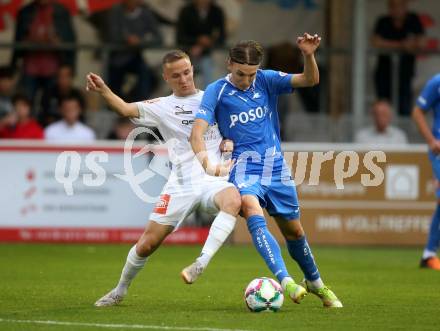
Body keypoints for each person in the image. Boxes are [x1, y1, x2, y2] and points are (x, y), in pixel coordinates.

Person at [190, 37, 342, 308]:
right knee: (249, 206)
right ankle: (285, 281)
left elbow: (310, 80)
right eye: (240, 74)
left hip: (276, 168)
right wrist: (209, 166)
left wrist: (308, 55)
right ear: (229, 64)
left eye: (251, 74)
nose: (246, 80)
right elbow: (197, 134)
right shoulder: (217, 90)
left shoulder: (266, 79)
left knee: (294, 233)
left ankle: (316, 283)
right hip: (244, 168)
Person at [88, 50, 241, 307]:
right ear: (166, 78)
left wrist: (228, 143)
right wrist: (103, 89)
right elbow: (125, 108)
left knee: (233, 200)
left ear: (193, 69)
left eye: (186, 72)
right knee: (147, 245)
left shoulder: (213, 99)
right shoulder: (161, 106)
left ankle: (201, 263)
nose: (183, 79)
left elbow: (232, 129)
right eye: (176, 76)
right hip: (180, 184)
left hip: (213, 179)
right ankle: (119, 290)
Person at [11, 0, 76, 103]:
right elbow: (18, 40)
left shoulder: (60, 11)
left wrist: (68, 66)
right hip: (30, 66)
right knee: (26, 101)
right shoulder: (26, 11)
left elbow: (70, 40)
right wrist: (14, 65)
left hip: (53, 67)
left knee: (50, 104)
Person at [372, 0, 425, 116]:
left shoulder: (413, 20)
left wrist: (409, 45)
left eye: (399, 6)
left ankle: (403, 133)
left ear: (405, 6)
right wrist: (402, 45)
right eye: (393, 6)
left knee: (404, 108)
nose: (396, 10)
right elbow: (376, 42)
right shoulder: (383, 21)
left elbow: (422, 43)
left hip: (405, 73)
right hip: (384, 73)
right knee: (383, 108)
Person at [106, 0, 162, 102]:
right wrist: (126, 39)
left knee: (149, 76)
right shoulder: (116, 12)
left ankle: (139, 104)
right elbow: (112, 35)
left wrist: (141, 41)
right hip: (119, 56)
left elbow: (158, 38)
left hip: (140, 56)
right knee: (114, 79)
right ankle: (116, 106)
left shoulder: (146, 13)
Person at [412, 73, 440, 270]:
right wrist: (431, 141)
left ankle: (428, 255)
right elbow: (417, 111)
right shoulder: (437, 82)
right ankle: (429, 254)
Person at [176, 0, 225, 88]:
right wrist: (197, 41)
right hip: (188, 52)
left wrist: (208, 42)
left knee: (210, 69)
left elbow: (222, 36)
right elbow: (180, 37)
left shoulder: (217, 11)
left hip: (210, 53)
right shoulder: (186, 11)